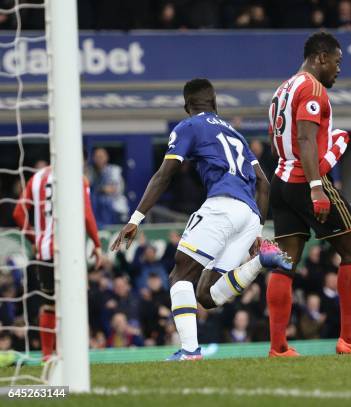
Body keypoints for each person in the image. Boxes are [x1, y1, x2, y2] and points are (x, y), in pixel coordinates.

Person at [111, 78, 292, 361]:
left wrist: (136, 218)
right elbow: (264, 183)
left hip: (222, 206)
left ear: (187, 106)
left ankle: (190, 352)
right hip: (249, 215)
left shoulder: (188, 127)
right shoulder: (236, 134)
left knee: (179, 275)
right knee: (207, 295)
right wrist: (257, 230)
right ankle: (261, 261)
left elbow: (164, 174)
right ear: (215, 103)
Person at [267, 31, 351, 356]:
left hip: (282, 180)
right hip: (307, 181)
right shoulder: (313, 88)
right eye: (337, 61)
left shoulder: (283, 88)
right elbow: (305, 139)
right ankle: (349, 340)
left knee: (284, 265)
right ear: (321, 58)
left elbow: (292, 140)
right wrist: (317, 187)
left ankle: (278, 347)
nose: (338, 69)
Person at [12, 152, 103, 361]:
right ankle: (69, 354)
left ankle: (47, 355)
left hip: (44, 251)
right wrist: (96, 244)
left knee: (50, 302)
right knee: (74, 300)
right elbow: (86, 214)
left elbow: (18, 212)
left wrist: (35, 238)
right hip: (69, 251)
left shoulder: (37, 178)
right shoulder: (77, 179)